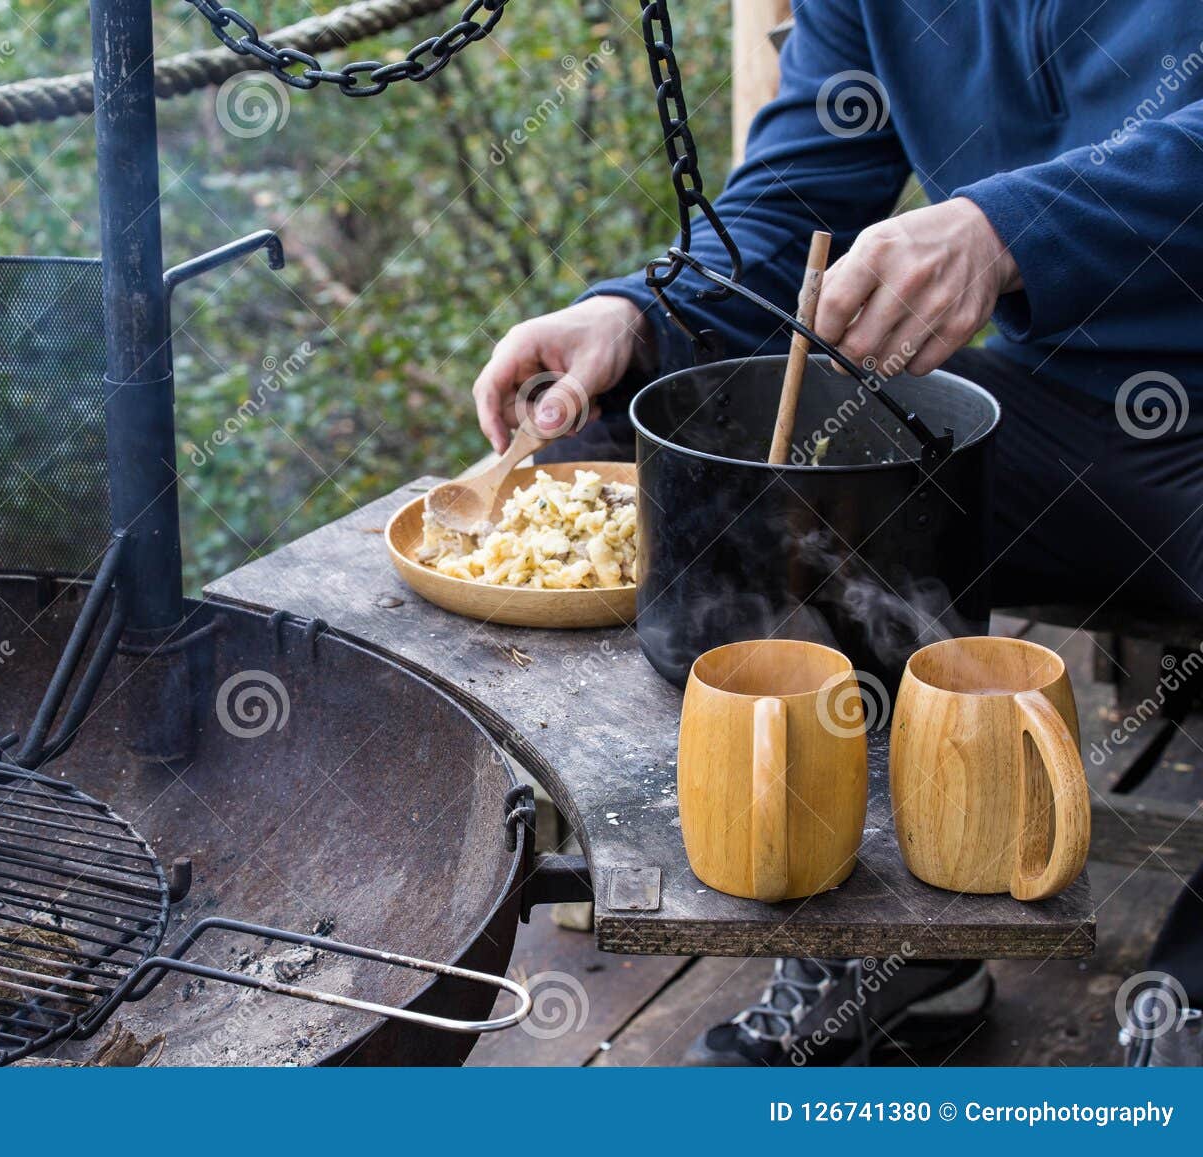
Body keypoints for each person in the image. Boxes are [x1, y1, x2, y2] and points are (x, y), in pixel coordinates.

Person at [471, 1, 1203, 1066]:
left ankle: (1191, 998)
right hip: (1048, 399)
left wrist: (1007, 229)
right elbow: (795, 199)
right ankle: (894, 947)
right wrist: (634, 313)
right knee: (647, 453)